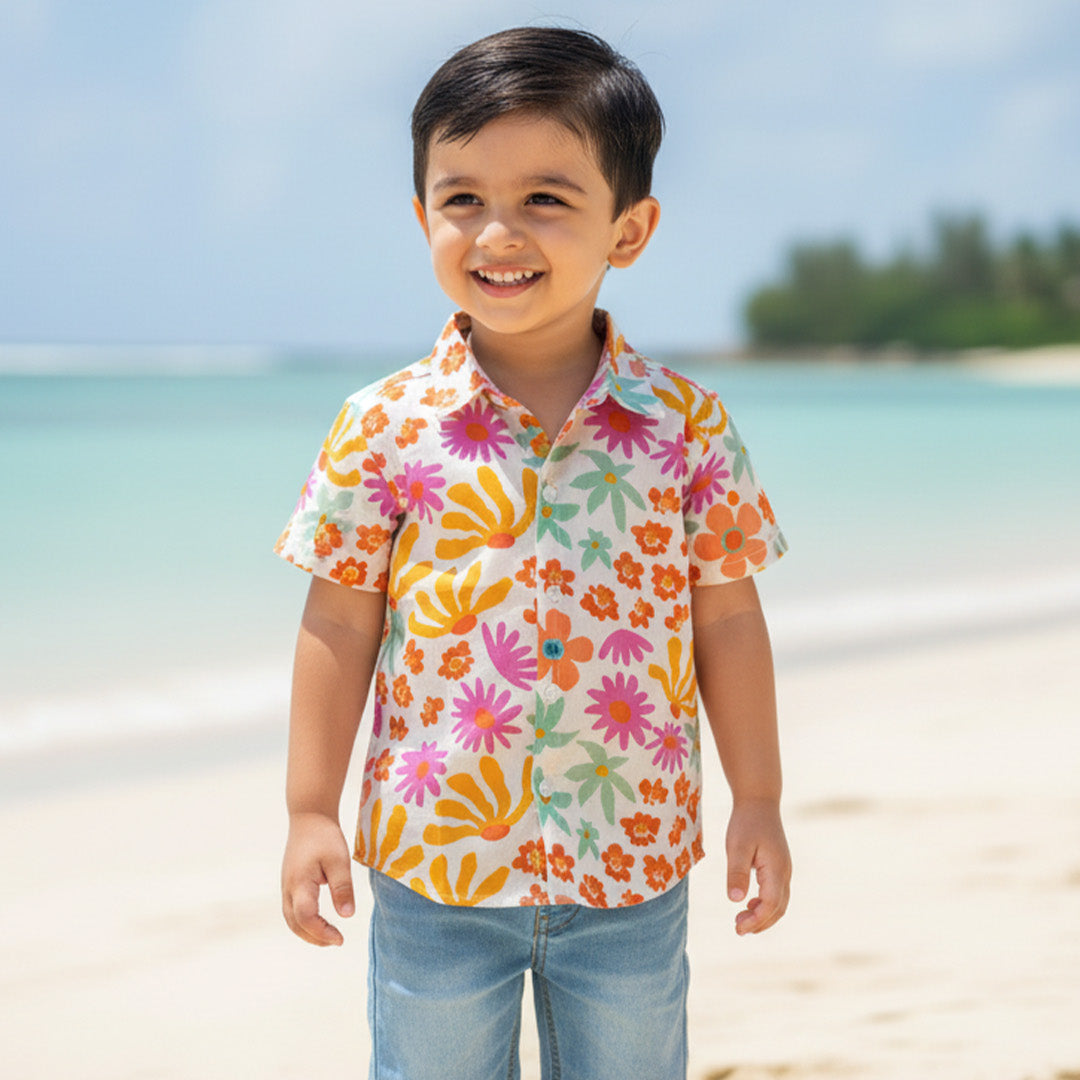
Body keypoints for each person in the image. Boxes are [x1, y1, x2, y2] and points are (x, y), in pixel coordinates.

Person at [276, 25, 791, 1080]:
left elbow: (729, 618)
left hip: (631, 861)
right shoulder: (382, 425)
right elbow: (339, 619)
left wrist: (762, 799)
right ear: (423, 217)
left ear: (631, 229)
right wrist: (307, 809)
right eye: (462, 198)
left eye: (546, 199)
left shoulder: (686, 426)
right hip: (436, 865)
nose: (497, 232)